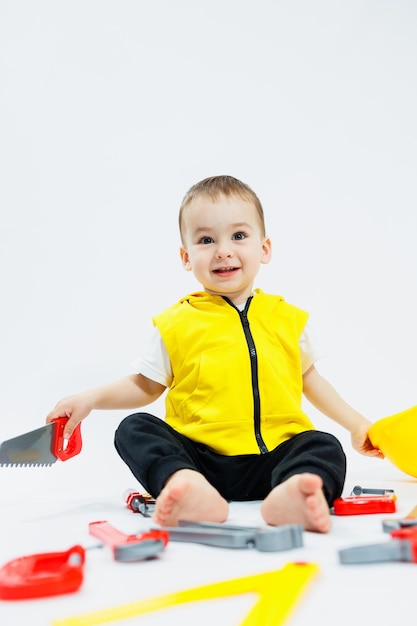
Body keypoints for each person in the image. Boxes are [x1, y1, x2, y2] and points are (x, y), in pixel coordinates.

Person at [46, 175, 383, 533]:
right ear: (186, 257)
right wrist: (89, 399)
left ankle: (292, 495)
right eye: (206, 240)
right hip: (200, 461)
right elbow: (145, 385)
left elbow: (310, 381)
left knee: (323, 445)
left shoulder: (287, 319)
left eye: (239, 236)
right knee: (134, 429)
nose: (223, 250)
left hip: (274, 460)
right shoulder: (175, 324)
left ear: (264, 248)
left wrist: (357, 424)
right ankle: (185, 486)